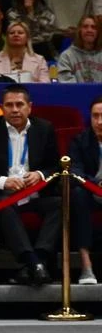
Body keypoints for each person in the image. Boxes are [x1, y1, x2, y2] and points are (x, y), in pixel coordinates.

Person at [0, 84, 60, 286]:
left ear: (30, 107)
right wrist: (3, 181)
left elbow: (56, 166)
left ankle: (38, 260)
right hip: (3, 196)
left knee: (60, 204)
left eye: (20, 104)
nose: (15, 110)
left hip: (35, 195)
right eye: (9, 105)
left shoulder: (44, 128)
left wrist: (40, 175)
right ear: (2, 107)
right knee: (4, 205)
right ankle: (32, 261)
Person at [68, 96, 102, 285]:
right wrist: (97, 184)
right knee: (78, 195)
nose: (100, 122)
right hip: (91, 192)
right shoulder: (80, 140)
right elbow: (75, 171)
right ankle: (86, 265)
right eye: (95, 116)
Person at [57, 15, 102, 83]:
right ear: (79, 30)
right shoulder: (66, 56)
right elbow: (66, 84)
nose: (89, 30)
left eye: (93, 27)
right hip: (75, 90)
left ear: (98, 32)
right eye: (85, 26)